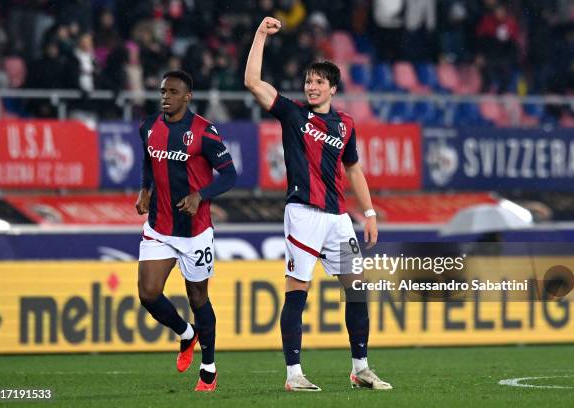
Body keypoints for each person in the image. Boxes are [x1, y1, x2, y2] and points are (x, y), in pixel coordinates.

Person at [244, 17, 392, 392]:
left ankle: (360, 368)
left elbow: (354, 169)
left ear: (332, 88)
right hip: (304, 214)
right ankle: (294, 374)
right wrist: (261, 35)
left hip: (339, 218)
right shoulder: (293, 114)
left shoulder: (345, 125)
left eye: (318, 82)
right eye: (309, 82)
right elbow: (252, 82)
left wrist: (370, 213)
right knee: (298, 290)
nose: (311, 87)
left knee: (356, 289)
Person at [136, 70, 237, 392]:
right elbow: (148, 161)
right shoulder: (149, 127)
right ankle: (186, 334)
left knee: (198, 298)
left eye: (173, 91)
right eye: (163, 91)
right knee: (148, 293)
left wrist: (200, 195)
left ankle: (209, 368)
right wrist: (144, 190)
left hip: (195, 232)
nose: (165, 96)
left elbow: (230, 175)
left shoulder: (204, 132)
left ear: (187, 97)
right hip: (159, 226)